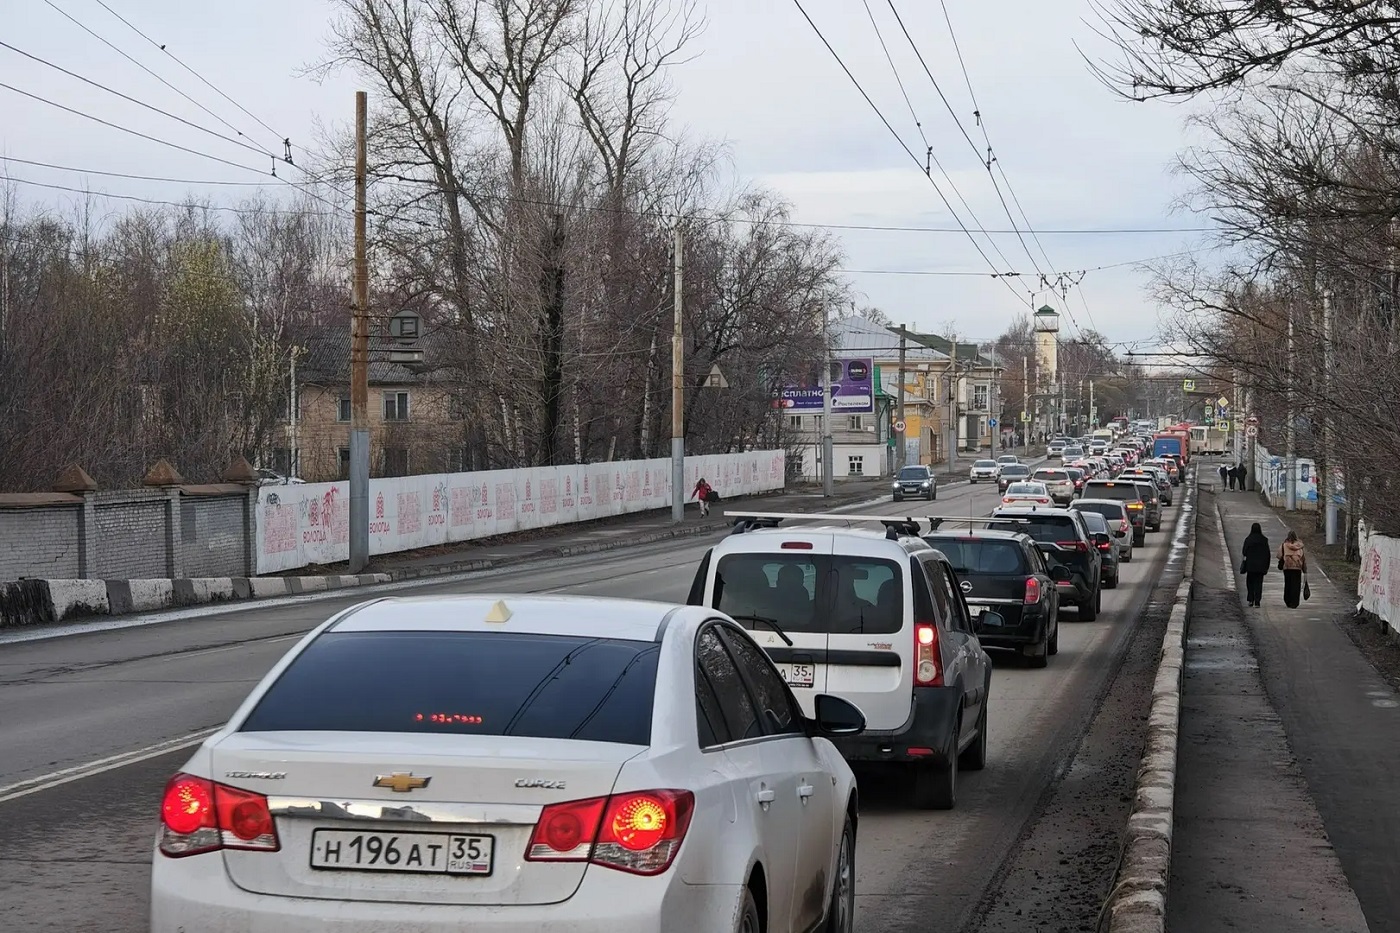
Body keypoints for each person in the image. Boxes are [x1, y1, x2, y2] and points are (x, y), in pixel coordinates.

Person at [1240, 522, 1271, 607]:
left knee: (1250, 583)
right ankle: (1257, 601)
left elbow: (1244, 551)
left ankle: (1250, 599)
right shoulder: (1264, 540)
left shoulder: (1249, 539)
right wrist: (1266, 566)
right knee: (1259, 583)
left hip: (1250, 566)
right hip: (1261, 567)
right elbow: (1268, 554)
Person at [1279, 530, 1307, 608]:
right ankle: (1294, 602)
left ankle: (1287, 600)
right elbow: (1303, 558)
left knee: (1288, 584)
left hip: (1287, 567)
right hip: (1297, 568)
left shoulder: (1284, 545)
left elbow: (1279, 555)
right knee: (1296, 585)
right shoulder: (1300, 546)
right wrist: (1304, 569)